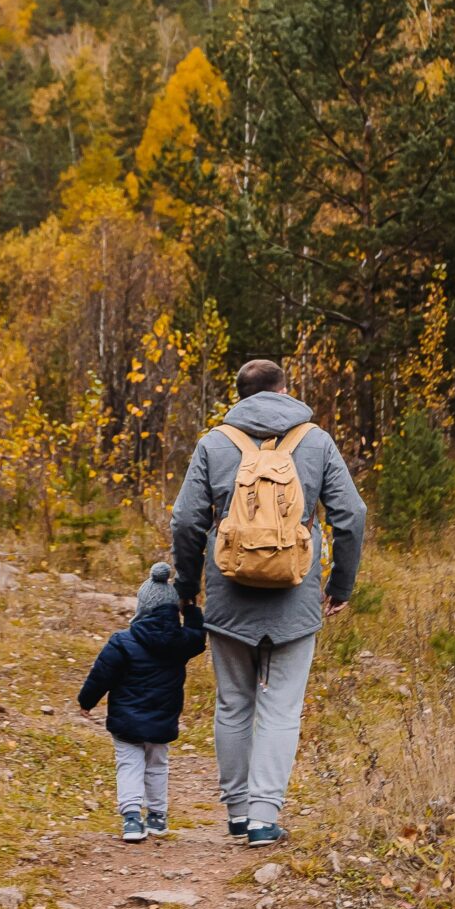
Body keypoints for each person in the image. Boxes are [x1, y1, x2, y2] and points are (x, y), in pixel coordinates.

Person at [168, 359, 366, 846]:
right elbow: (352, 515)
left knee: (233, 703)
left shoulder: (215, 443)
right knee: (281, 709)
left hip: (228, 598)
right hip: (295, 599)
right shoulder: (315, 441)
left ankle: (236, 813)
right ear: (283, 390)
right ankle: (263, 818)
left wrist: (187, 586)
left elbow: (186, 520)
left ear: (239, 396)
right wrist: (340, 586)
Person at [76, 561, 208, 842]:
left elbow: (101, 675)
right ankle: (158, 817)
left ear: (141, 607)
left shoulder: (123, 641)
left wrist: (86, 701)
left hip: (126, 719)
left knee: (129, 764)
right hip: (162, 719)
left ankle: (132, 818)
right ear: (175, 611)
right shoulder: (181, 641)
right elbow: (199, 638)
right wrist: (191, 608)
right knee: (158, 765)